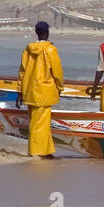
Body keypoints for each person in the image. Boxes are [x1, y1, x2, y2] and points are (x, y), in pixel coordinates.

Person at [15, 21, 64, 159]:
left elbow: (22, 72)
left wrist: (19, 91)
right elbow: (57, 72)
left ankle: (47, 151)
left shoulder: (28, 50)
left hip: (30, 91)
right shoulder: (50, 50)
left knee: (39, 121)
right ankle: (36, 151)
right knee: (40, 123)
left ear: (36, 32)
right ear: (47, 32)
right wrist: (60, 87)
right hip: (44, 91)